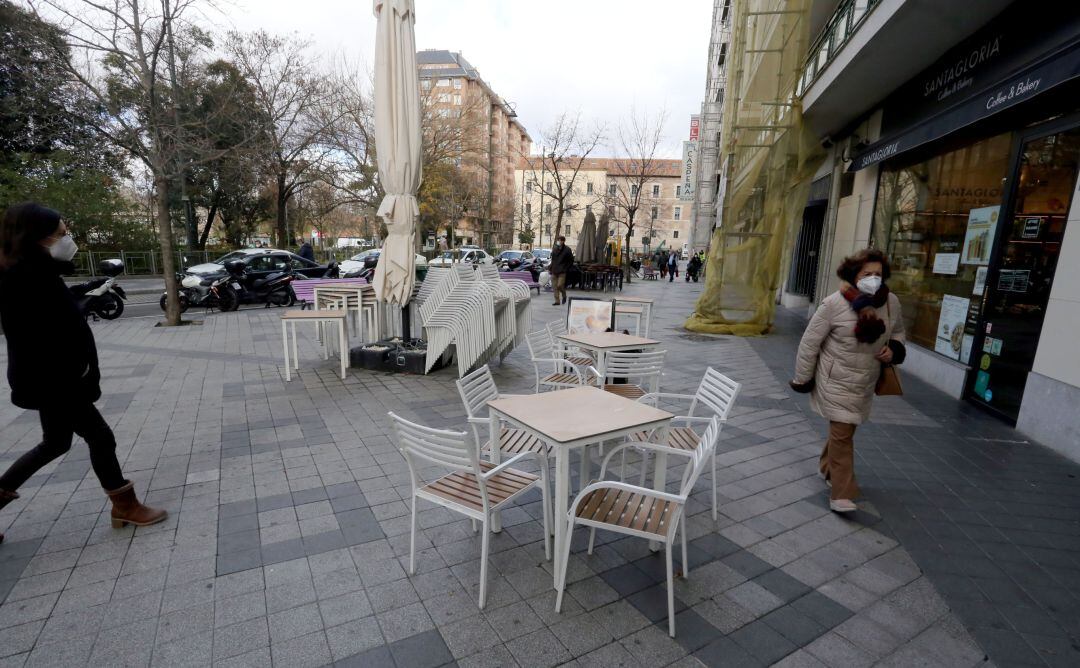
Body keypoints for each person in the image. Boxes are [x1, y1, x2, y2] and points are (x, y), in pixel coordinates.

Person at [0, 203, 166, 544]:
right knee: (100, 436)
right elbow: (40, 330)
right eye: (61, 234)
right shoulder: (22, 276)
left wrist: (82, 294)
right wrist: (79, 366)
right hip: (55, 379)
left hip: (52, 378)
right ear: (36, 237)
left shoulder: (34, 269)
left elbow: (53, 311)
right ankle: (125, 505)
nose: (68, 239)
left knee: (55, 443)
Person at [790, 248, 906, 513]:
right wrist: (803, 378)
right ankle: (841, 493)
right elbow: (810, 344)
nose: (873, 279)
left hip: (865, 381)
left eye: (878, 274)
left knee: (845, 430)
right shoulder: (833, 304)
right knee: (843, 434)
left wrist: (895, 351)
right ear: (855, 275)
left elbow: (898, 332)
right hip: (835, 381)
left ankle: (825, 466)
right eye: (867, 274)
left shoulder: (891, 303)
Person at [549, 235, 573, 306]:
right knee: (554, 287)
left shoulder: (567, 249)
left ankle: (564, 295)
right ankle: (557, 301)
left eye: (560, 240)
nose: (559, 241)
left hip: (562, 271)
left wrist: (566, 268)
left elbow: (571, 260)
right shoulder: (555, 248)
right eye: (558, 240)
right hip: (554, 270)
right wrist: (550, 267)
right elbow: (553, 259)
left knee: (559, 285)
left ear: (563, 241)